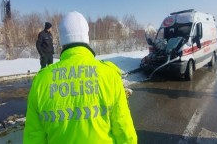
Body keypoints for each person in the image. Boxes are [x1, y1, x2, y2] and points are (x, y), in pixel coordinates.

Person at [24, 11, 137, 143]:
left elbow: (33, 137)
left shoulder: (41, 81)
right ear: (87, 37)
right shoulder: (110, 75)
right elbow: (125, 131)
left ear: (61, 40)